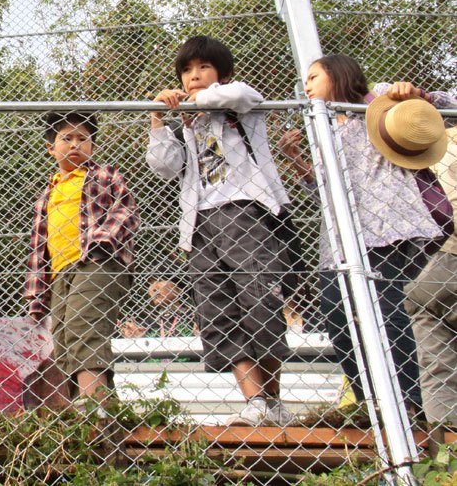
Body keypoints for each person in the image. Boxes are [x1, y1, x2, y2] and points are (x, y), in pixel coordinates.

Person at [279, 54, 454, 419]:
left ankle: (412, 404)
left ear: (338, 75)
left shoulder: (378, 102)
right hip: (341, 241)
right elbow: (324, 193)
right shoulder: (325, 128)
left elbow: (446, 108)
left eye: (313, 77)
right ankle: (370, 403)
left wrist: (417, 94)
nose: (306, 85)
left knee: (392, 315)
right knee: (338, 317)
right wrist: (296, 160)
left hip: (390, 229)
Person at [147, 35, 294, 427]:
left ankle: (274, 399)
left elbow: (244, 93)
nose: (194, 76)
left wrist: (200, 99)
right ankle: (255, 401)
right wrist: (158, 118)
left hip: (246, 211)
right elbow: (164, 167)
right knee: (218, 310)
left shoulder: (236, 103)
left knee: (260, 301)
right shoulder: (186, 121)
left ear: (222, 73)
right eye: (187, 70)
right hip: (199, 223)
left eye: (203, 67)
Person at [25, 112, 140, 409]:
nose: (75, 144)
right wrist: (37, 297)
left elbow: (126, 210)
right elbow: (39, 249)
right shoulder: (47, 194)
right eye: (66, 138)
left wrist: (102, 241)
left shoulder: (104, 176)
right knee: (63, 337)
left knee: (84, 324)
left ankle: (93, 405)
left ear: (92, 146)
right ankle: (98, 406)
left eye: (83, 139)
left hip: (97, 262)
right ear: (51, 148)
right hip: (60, 273)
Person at [406, 127, 457, 426]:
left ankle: (446, 447)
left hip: (433, 262)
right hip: (442, 258)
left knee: (437, 367)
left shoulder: (426, 143)